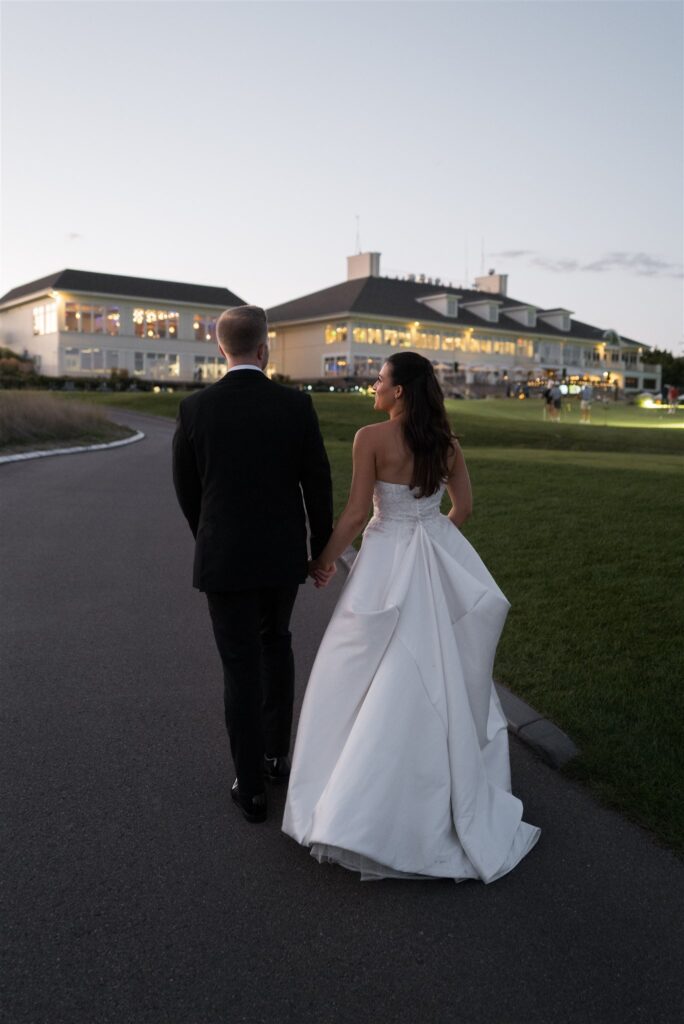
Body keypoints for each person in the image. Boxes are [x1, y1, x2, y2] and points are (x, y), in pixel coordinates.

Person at [283, 352, 540, 882]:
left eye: (379, 380)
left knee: (356, 668)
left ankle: (356, 799)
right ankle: (435, 793)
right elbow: (462, 510)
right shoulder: (447, 446)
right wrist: (430, 533)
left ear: (399, 392)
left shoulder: (370, 438)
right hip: (428, 557)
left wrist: (323, 560)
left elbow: (356, 513)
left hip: (384, 561)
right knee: (431, 668)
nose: (373, 387)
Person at [172, 306, 333, 824]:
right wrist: (320, 548)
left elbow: (187, 488)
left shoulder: (195, 408)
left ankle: (251, 786)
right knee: (276, 644)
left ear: (223, 350)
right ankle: (275, 756)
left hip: (225, 556)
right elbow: (318, 482)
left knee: (239, 665)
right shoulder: (295, 405)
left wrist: (210, 536)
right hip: (282, 555)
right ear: (264, 349)